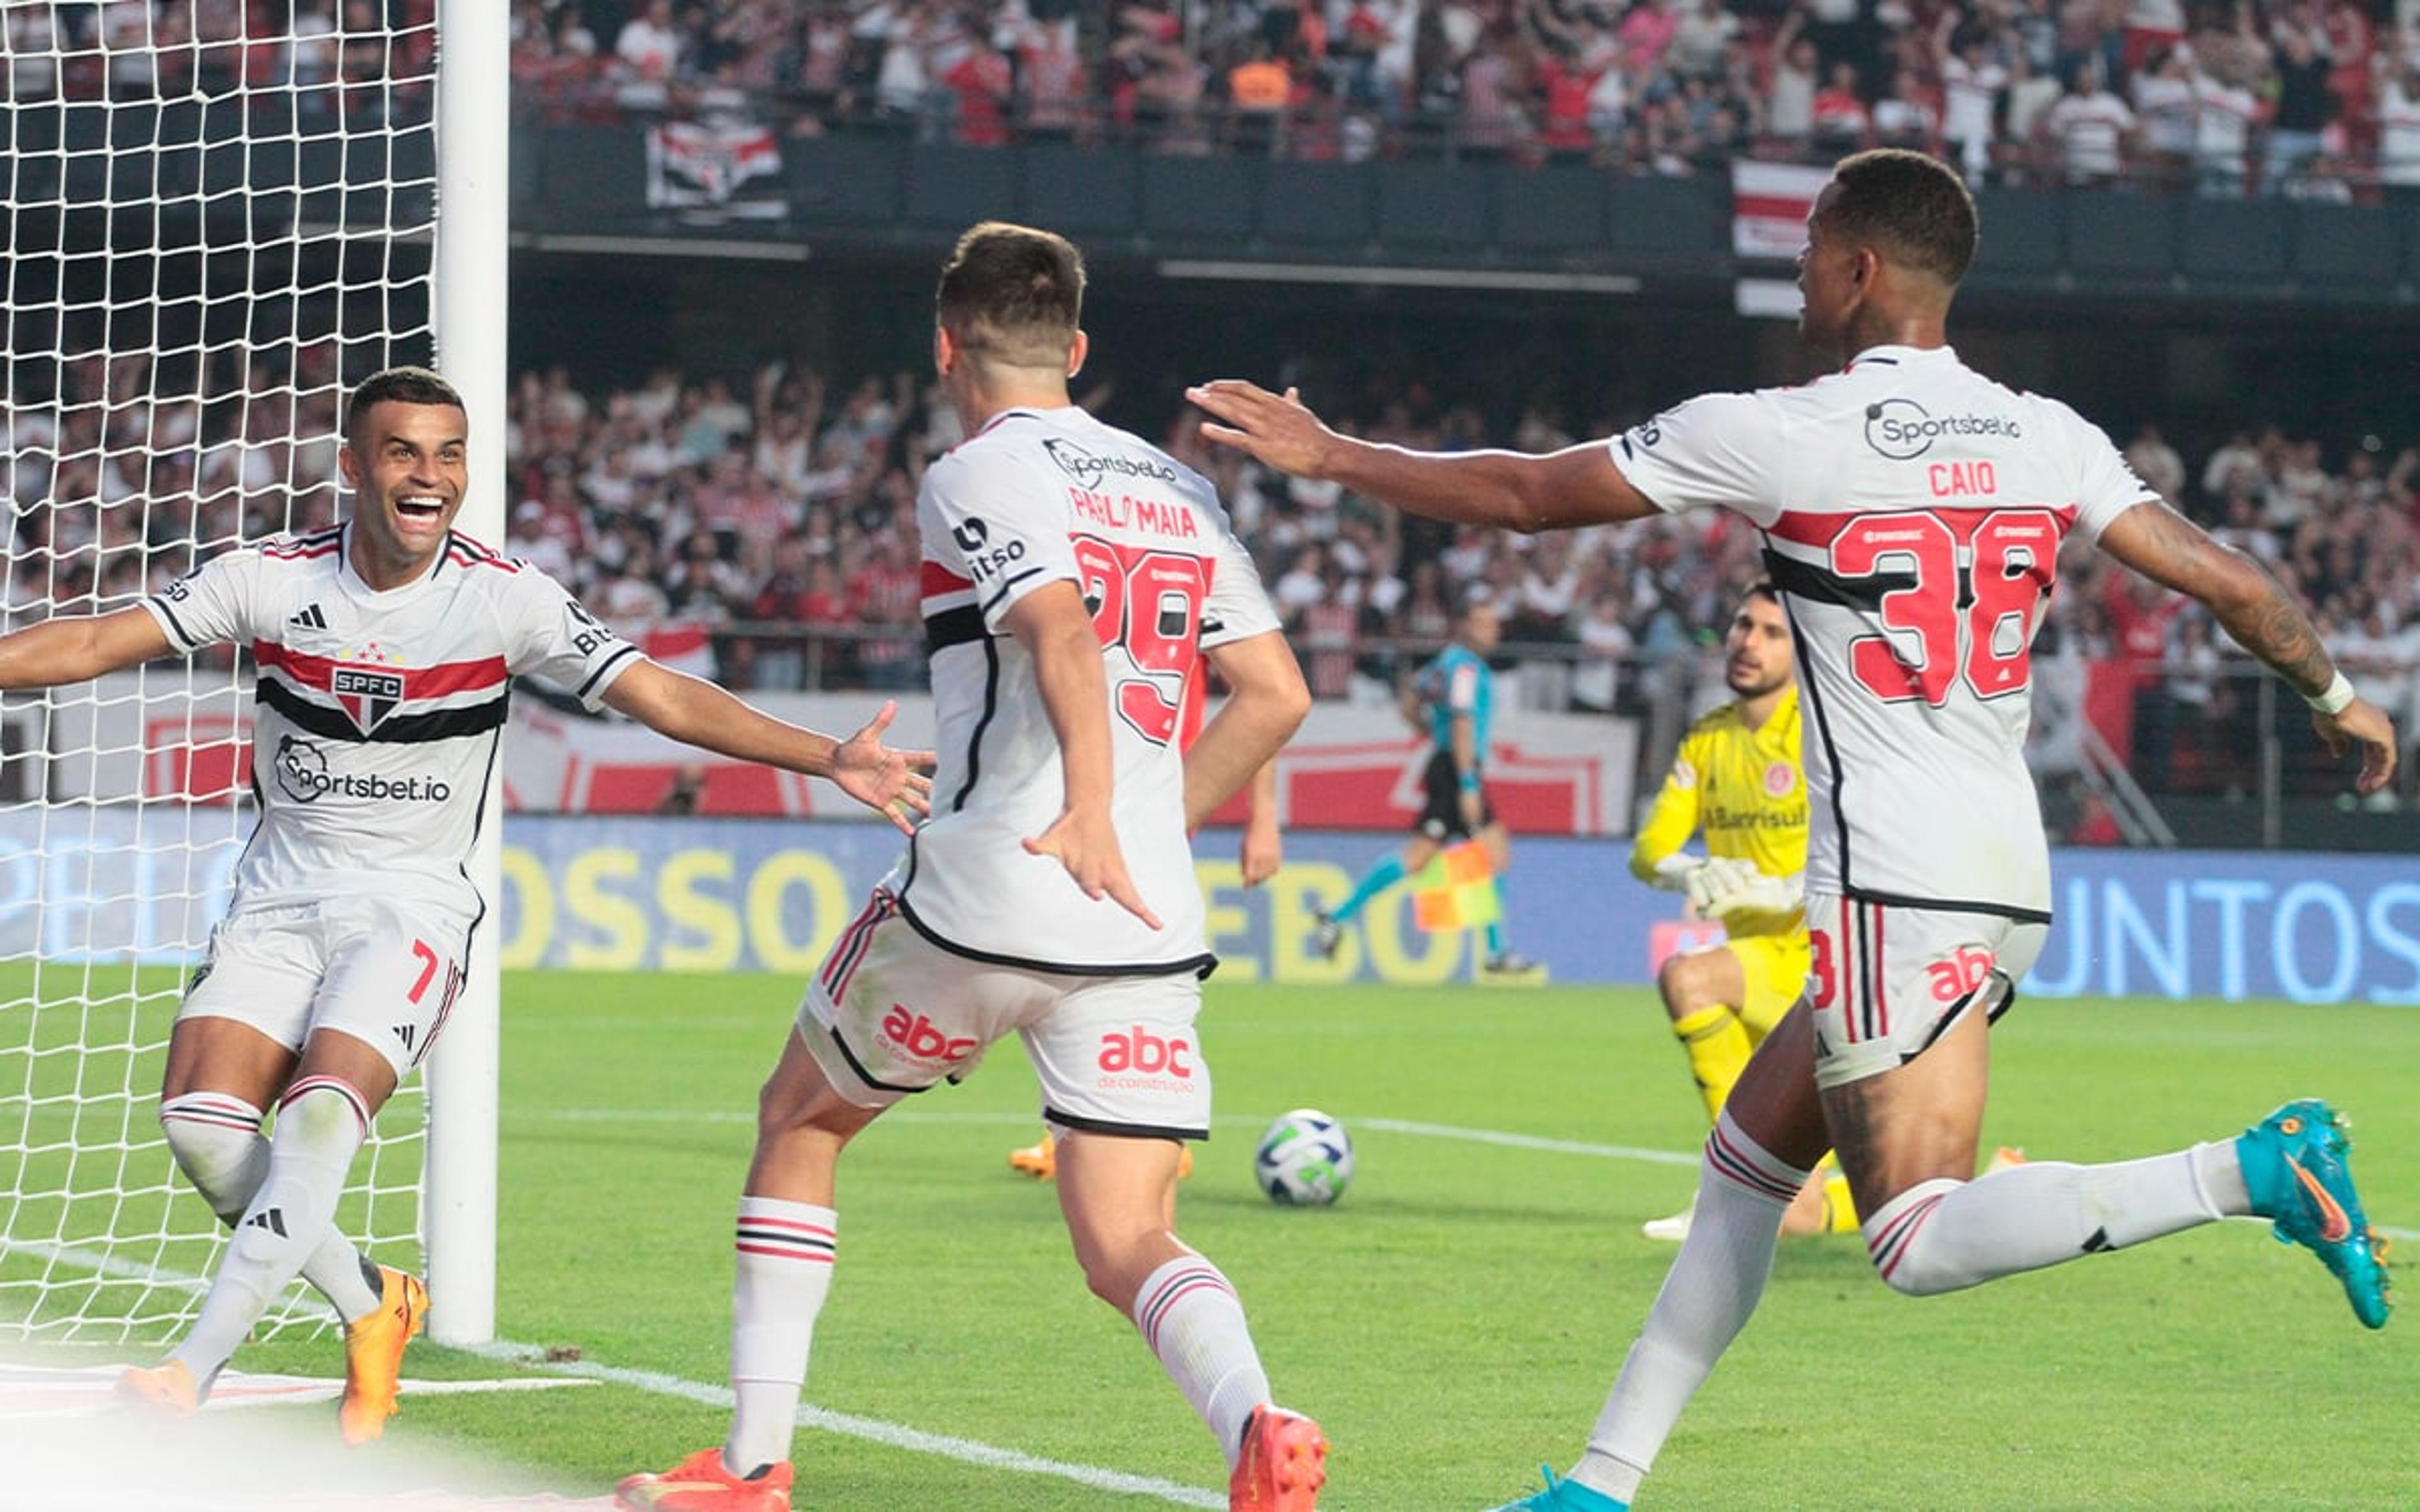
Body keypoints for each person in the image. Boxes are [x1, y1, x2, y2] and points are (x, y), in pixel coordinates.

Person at [1188, 149, 2395, 1512]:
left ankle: (2247, 1169)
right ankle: (1596, 1485)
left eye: (1816, 250)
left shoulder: (1781, 431)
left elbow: (1530, 494)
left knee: (1914, 1240)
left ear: (1861, 268)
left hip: (1895, 880)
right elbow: (2229, 581)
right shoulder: (2047, 434)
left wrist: (1330, 454)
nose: (1802, 273)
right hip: (2002, 867)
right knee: (1745, 1169)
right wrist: (2338, 695)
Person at [72, 367, 929, 1441]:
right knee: (201, 1129)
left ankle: (192, 1370)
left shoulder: (504, 596)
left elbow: (659, 695)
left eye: (448, 455)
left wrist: (830, 757)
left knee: (322, 1112)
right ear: (351, 467)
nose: (428, 476)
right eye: (401, 453)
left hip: (412, 912)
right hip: (276, 902)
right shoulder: (271, 580)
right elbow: (102, 642)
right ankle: (373, 1300)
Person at [616, 223, 1326, 1512]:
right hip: (1144, 924)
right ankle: (1258, 1420)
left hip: (995, 888)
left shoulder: (975, 469)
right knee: (1127, 1239)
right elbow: (1275, 695)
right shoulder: (1180, 484)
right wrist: (1147, 831)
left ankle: (753, 1466)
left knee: (802, 1120)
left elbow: (1054, 627)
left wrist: (1097, 808)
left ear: (947, 346)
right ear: (1081, 348)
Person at [1628, 584, 1857, 1242]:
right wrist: (1689, 869)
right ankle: (1733, 1190)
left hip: (1824, 966)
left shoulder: (1822, 734)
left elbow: (1866, 839)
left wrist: (1784, 891)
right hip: (1761, 972)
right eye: (1741, 626)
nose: (1748, 642)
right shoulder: (1709, 740)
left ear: (1801, 649)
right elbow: (1648, 853)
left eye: (1770, 632)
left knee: (1689, 977)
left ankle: (1727, 1187)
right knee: (1799, 1216)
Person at [1008, 758, 1281, 1181]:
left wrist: (1262, 816)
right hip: (1107, 796)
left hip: (1152, 794)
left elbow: (1276, 697)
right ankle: (1103, 1131)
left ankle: (1149, 1133)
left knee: (1116, 959)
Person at [1311, 593, 1537, 976]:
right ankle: (1497, 951)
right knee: (1490, 854)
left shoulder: (1443, 664)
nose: (1493, 630)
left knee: (1425, 857)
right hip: (1458, 769)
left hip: (1446, 763)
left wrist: (1432, 732)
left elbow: (1409, 704)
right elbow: (1464, 723)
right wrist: (1467, 781)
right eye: (1485, 622)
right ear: (1466, 625)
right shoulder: (1465, 670)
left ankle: (1338, 914)